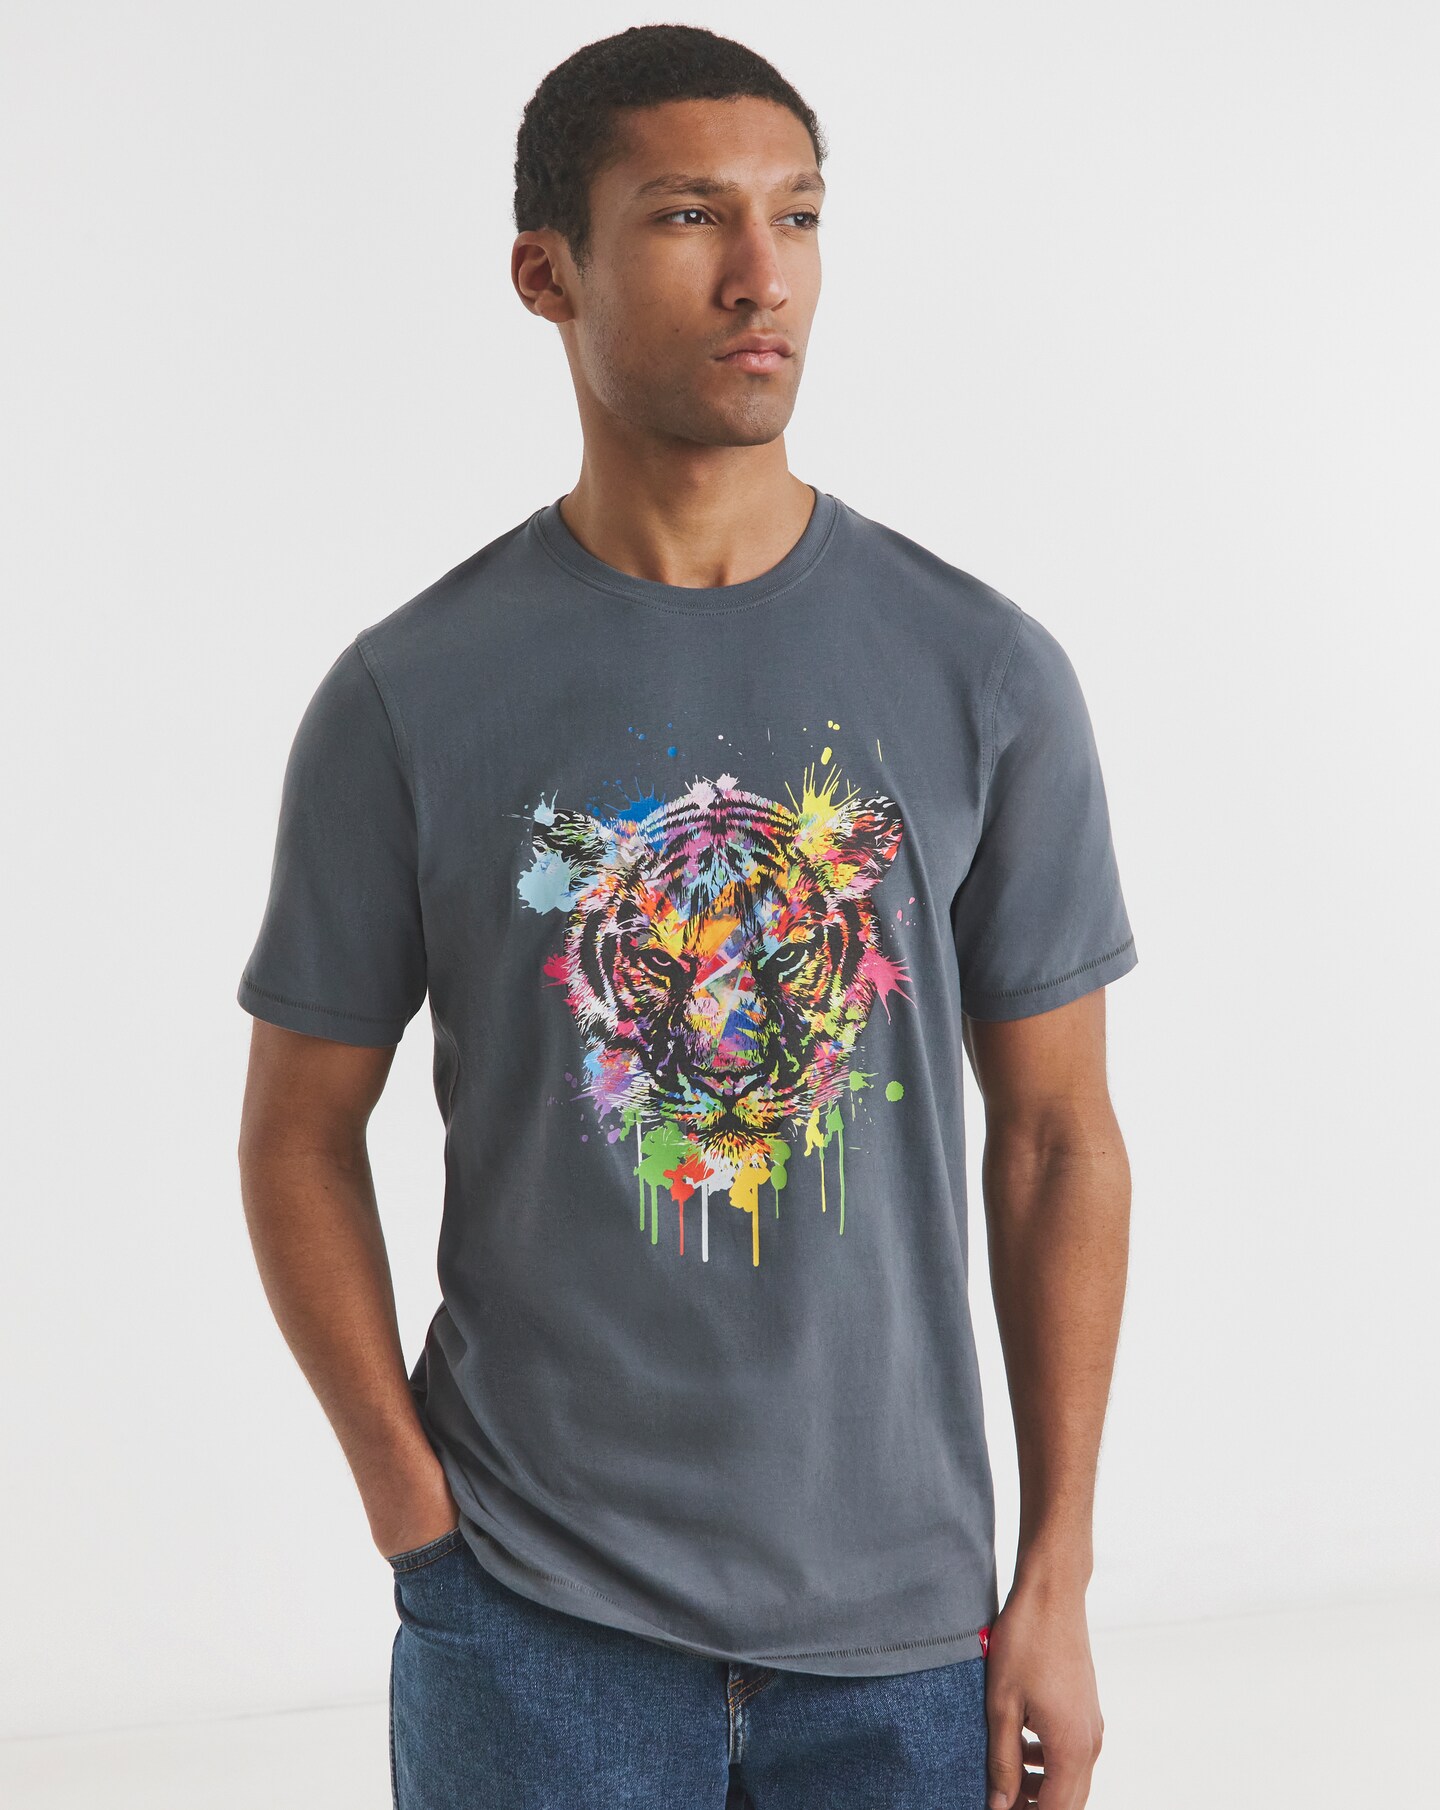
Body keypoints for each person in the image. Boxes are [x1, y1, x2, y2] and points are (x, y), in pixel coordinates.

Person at [236, 24, 1137, 1810]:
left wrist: (1056, 1574)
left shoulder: (984, 673)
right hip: (534, 1622)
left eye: (798, 215)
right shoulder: (410, 694)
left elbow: (1056, 1140)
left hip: (906, 1635)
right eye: (686, 215)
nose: (760, 274)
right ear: (544, 273)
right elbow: (295, 1134)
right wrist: (416, 1519)